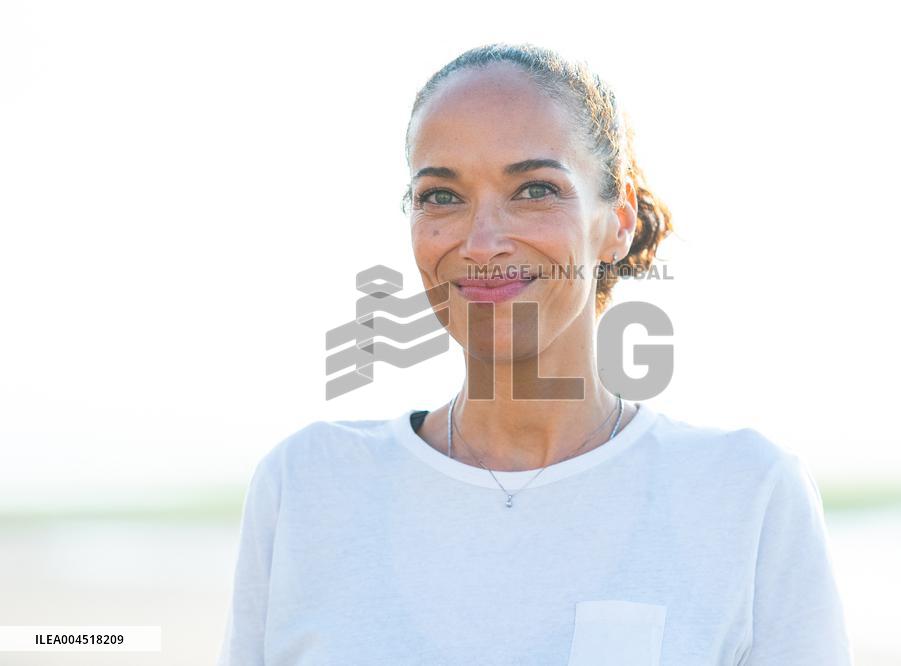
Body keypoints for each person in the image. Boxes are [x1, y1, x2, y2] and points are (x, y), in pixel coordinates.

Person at [217, 42, 854, 665]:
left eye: (535, 190)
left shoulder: (747, 494)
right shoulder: (307, 485)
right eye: (443, 195)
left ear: (619, 220)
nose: (483, 240)